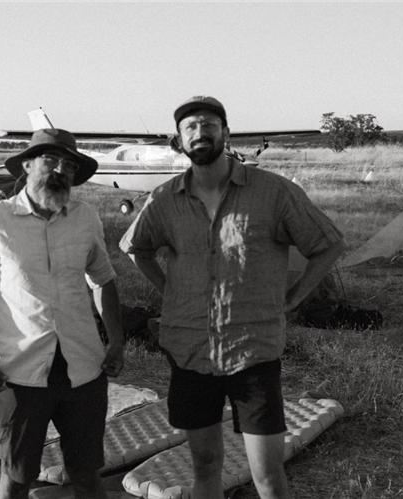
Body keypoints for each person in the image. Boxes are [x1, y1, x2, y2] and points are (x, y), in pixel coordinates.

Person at [119, 96, 346, 499]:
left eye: (209, 124)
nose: (200, 132)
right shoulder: (164, 199)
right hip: (190, 352)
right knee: (205, 467)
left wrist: (294, 297)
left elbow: (327, 244)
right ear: (178, 141)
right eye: (190, 127)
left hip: (252, 352)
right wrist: (169, 291)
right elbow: (136, 248)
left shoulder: (273, 192)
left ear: (225, 132)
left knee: (268, 475)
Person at [0, 128, 125, 499]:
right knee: (18, 476)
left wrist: (117, 340)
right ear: (27, 165)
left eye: (69, 165)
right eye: (49, 160)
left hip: (84, 370)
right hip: (19, 374)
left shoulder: (85, 218)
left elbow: (103, 279)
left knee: (87, 474)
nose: (59, 171)